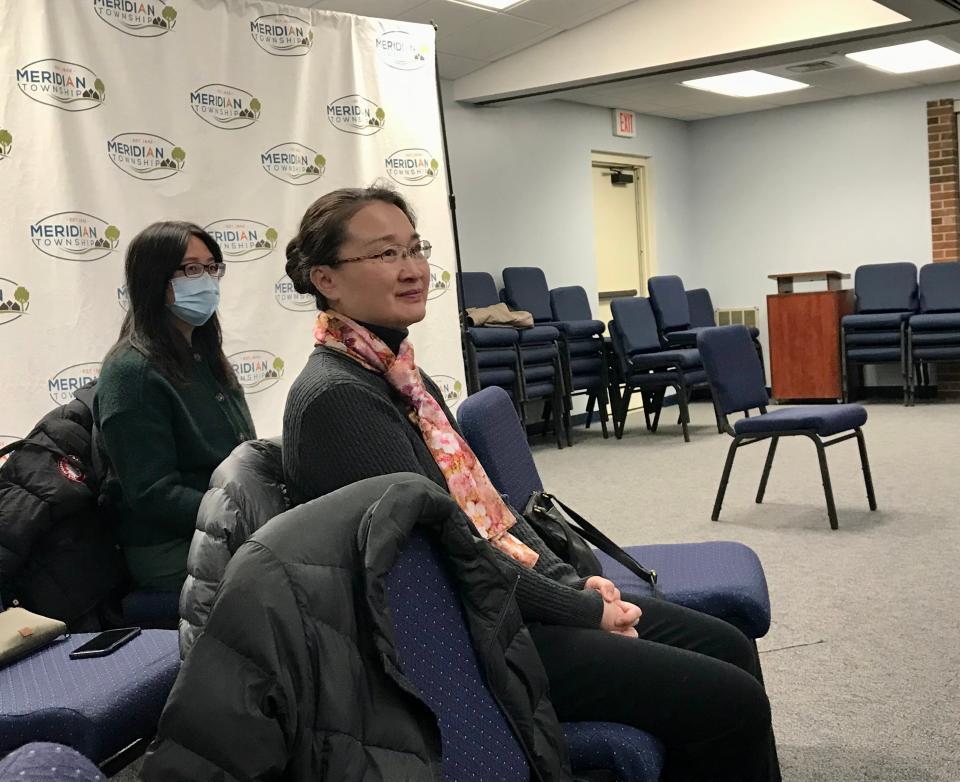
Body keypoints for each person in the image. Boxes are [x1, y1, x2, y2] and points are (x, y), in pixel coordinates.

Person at [282, 185, 778, 782]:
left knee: (728, 644)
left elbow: (494, 513)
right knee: (731, 701)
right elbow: (451, 558)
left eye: (416, 248)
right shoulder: (341, 399)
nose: (413, 269)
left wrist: (572, 580)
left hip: (500, 609)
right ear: (326, 280)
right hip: (469, 643)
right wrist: (581, 610)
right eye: (386, 254)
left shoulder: (400, 376)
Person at [94, 221, 254, 592]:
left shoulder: (203, 353)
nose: (207, 280)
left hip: (224, 527)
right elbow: (153, 494)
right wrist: (245, 519)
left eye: (213, 267)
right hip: (171, 547)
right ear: (154, 280)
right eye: (191, 269)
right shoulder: (130, 371)